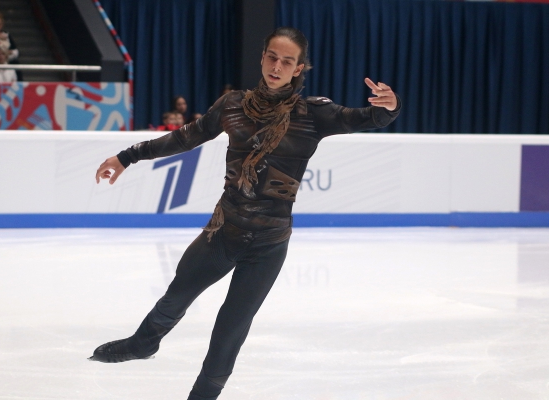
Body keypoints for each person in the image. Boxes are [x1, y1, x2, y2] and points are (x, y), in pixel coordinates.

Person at [92, 27, 401, 400]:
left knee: (231, 328)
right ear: (262, 57)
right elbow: (184, 137)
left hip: (268, 244)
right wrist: (127, 156)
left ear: (299, 68)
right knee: (177, 294)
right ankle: (143, 344)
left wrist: (389, 106)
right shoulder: (233, 105)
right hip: (223, 231)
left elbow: (367, 118)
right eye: (272, 57)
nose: (277, 66)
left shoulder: (313, 114)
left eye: (287, 61)